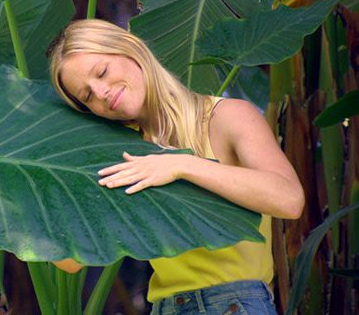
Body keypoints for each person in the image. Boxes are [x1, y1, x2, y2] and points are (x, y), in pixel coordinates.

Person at [48, 19, 305, 315]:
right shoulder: (125, 157)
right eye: (87, 96)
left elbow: (289, 199)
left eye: (102, 72)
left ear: (131, 49)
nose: (102, 92)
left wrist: (183, 165)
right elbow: (70, 260)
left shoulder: (227, 117)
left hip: (234, 304)